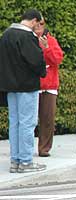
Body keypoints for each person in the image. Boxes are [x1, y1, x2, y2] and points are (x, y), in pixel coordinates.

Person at [0, 9, 47, 173]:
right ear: (33, 21)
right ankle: (26, 161)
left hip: (10, 87)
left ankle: (15, 160)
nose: (38, 27)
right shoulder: (27, 37)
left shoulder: (6, 34)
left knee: (15, 123)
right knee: (27, 124)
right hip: (27, 86)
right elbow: (36, 61)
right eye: (38, 23)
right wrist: (43, 69)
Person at [34, 17, 64, 157]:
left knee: (47, 119)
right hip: (33, 86)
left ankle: (44, 148)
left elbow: (57, 59)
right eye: (37, 23)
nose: (39, 26)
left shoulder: (51, 41)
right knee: (29, 120)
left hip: (49, 86)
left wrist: (47, 47)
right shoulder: (29, 40)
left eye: (42, 24)